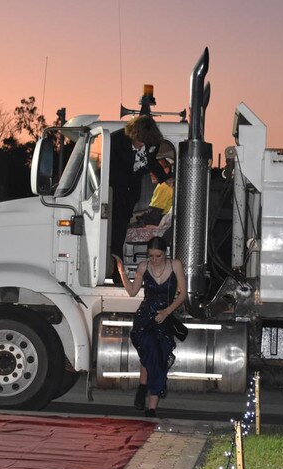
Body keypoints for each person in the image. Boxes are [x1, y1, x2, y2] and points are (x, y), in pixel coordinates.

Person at [113, 236, 187, 417]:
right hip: (145, 319)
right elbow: (132, 292)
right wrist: (122, 271)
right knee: (150, 354)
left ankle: (150, 404)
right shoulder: (144, 267)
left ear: (165, 254)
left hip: (165, 318)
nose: (154, 260)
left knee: (160, 359)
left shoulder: (175, 265)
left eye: (158, 256)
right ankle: (144, 390)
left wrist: (166, 312)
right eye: (151, 256)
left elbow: (182, 294)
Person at [109, 116, 170, 285]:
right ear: (132, 134)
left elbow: (151, 163)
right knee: (116, 233)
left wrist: (166, 180)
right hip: (116, 192)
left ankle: (117, 269)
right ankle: (116, 271)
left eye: (146, 143)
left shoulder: (152, 143)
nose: (143, 145)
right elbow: (113, 171)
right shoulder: (116, 141)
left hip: (131, 194)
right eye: (139, 142)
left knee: (120, 231)